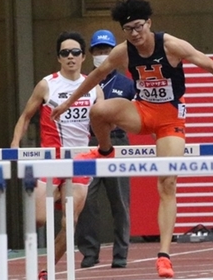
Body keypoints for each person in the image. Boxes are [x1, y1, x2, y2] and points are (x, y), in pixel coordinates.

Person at [51, 0, 213, 279]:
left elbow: (212, 65)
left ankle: (164, 257)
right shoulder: (123, 51)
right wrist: (68, 102)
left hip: (170, 119)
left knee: (167, 182)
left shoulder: (170, 45)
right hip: (141, 112)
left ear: (149, 23)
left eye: (139, 27)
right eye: (129, 29)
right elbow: (95, 76)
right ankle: (105, 152)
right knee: (98, 111)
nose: (135, 33)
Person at [10, 31, 104, 280]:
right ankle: (58, 196)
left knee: (68, 224)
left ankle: (46, 270)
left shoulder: (94, 87)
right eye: (65, 53)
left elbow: (104, 122)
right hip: (51, 160)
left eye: (75, 52)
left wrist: (104, 148)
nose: (70, 57)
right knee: (39, 218)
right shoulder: (47, 84)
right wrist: (15, 144)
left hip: (81, 161)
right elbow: (25, 117)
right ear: (59, 58)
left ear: (83, 56)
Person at [75, 30, 135, 269]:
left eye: (107, 50)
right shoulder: (85, 81)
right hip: (89, 142)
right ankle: (89, 251)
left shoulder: (127, 84)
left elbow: (138, 112)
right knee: (86, 198)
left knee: (119, 200)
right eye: (98, 51)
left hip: (118, 142)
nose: (103, 55)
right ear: (91, 54)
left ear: (115, 53)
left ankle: (120, 254)